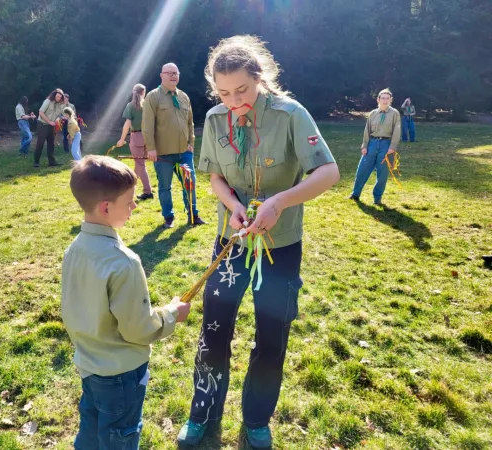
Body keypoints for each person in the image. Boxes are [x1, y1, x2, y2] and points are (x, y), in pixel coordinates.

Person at [176, 35, 340, 449]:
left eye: (242, 90)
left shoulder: (291, 115)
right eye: (223, 93)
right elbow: (215, 176)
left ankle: (257, 419)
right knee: (213, 331)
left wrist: (280, 202)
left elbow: (328, 173)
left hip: (279, 248)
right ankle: (202, 414)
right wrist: (233, 204)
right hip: (230, 244)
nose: (234, 101)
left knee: (272, 336)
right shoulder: (215, 119)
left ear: (259, 78)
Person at [61, 155, 191, 449]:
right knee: (120, 437)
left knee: (91, 431)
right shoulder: (124, 263)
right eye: (130, 202)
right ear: (106, 207)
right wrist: (172, 313)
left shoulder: (74, 249)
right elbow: (138, 329)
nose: (134, 206)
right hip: (120, 375)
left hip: (89, 364)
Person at [142, 63, 206, 228]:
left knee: (189, 185)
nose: (173, 76)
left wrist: (191, 142)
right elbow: (147, 124)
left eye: (175, 73)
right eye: (169, 73)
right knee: (165, 187)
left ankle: (193, 215)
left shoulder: (184, 96)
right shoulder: (153, 97)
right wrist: (151, 148)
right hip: (163, 154)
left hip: (184, 152)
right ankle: (168, 217)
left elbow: (190, 123)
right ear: (161, 75)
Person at [349, 88, 401, 205]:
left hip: (386, 145)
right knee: (362, 169)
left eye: (387, 98)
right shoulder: (373, 113)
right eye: (383, 98)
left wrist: (392, 146)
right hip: (372, 143)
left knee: (382, 174)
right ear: (378, 99)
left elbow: (397, 130)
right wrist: (365, 145)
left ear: (391, 100)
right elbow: (367, 130)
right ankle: (355, 194)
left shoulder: (395, 113)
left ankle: (377, 198)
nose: (385, 101)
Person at [117, 84, 153, 201]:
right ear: (143, 92)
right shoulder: (148, 104)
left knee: (140, 165)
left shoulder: (131, 106)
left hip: (137, 137)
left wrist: (122, 139)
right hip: (148, 137)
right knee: (139, 164)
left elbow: (127, 124)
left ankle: (147, 191)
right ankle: (129, 187)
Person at [33, 88, 65, 168]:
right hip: (42, 125)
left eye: (60, 97)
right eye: (57, 96)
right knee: (40, 143)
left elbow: (59, 115)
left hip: (51, 126)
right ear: (54, 95)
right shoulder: (47, 101)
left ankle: (52, 162)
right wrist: (49, 121)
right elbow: (41, 112)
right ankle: (36, 162)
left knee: (51, 144)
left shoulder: (60, 105)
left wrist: (59, 119)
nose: (58, 98)